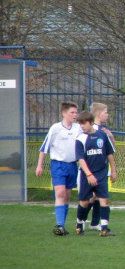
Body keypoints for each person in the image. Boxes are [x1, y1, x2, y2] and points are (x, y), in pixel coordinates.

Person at [36, 101, 82, 236]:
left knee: (67, 195)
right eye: (72, 112)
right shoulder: (55, 128)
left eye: (76, 112)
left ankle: (62, 225)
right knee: (60, 193)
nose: (75, 115)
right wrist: (40, 165)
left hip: (72, 165)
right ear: (64, 113)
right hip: (58, 165)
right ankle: (59, 224)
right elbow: (44, 148)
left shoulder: (77, 128)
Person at [74, 111, 118, 236]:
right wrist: (88, 174)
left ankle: (104, 228)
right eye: (80, 124)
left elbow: (109, 154)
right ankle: (79, 225)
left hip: (101, 173)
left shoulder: (102, 136)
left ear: (92, 122)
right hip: (87, 175)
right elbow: (80, 159)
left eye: (84, 123)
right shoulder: (80, 139)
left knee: (104, 200)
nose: (82, 126)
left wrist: (113, 170)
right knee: (84, 202)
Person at [86, 102, 117, 231]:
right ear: (98, 114)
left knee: (98, 195)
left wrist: (110, 136)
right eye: (106, 113)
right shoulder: (90, 129)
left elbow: (112, 149)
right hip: (91, 169)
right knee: (92, 196)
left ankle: (94, 223)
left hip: (102, 169)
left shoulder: (103, 130)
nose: (108, 115)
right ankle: (82, 219)